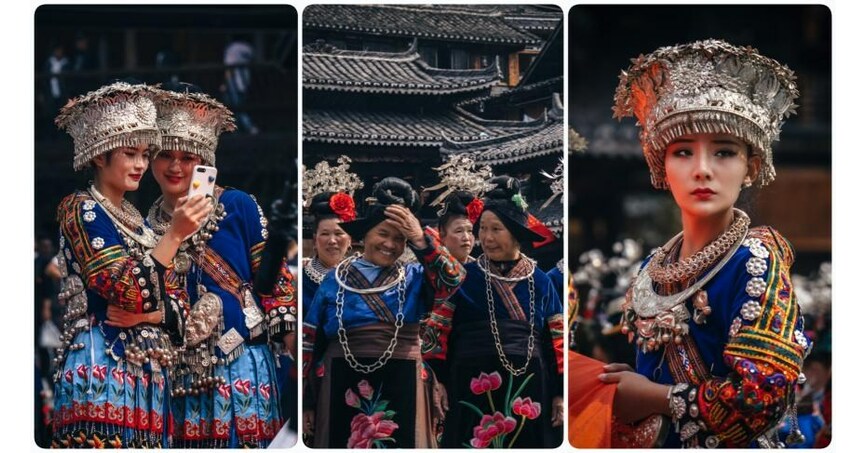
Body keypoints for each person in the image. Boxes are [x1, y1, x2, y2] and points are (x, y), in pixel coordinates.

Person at [571, 39, 811, 448]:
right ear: (660, 165)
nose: (702, 170)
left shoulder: (755, 260)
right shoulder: (652, 266)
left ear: (751, 166)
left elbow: (760, 399)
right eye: (683, 152)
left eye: (723, 152)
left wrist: (654, 397)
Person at [51, 81, 211, 447]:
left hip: (149, 378)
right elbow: (125, 290)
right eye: (130, 153)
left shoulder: (138, 222)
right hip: (100, 366)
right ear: (98, 155)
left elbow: (180, 307)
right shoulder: (81, 208)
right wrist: (174, 235)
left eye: (144, 154)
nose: (141, 164)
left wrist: (149, 316)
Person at [145, 81, 297, 448]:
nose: (176, 166)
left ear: (205, 160)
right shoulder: (145, 227)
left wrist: (293, 344)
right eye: (166, 155)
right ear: (150, 158)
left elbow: (274, 281)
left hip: (242, 358)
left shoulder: (238, 204)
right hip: (176, 371)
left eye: (188, 157)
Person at [302, 177, 466, 448]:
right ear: (364, 234)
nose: (390, 244)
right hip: (340, 382)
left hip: (405, 382)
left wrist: (420, 239)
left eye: (400, 239)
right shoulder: (334, 280)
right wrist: (307, 401)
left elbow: (455, 278)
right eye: (383, 234)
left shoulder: (415, 277)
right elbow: (311, 344)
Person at [424, 175, 564, 448]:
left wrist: (560, 393)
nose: (486, 238)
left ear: (516, 233)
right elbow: (438, 333)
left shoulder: (541, 282)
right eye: (483, 228)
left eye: (496, 229)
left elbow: (555, 342)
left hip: (531, 387)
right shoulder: (462, 277)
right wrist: (437, 380)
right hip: (467, 386)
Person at [301, 156, 363, 313]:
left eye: (339, 233)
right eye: (325, 234)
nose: (332, 240)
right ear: (315, 240)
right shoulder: (300, 279)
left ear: (349, 239)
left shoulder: (362, 276)